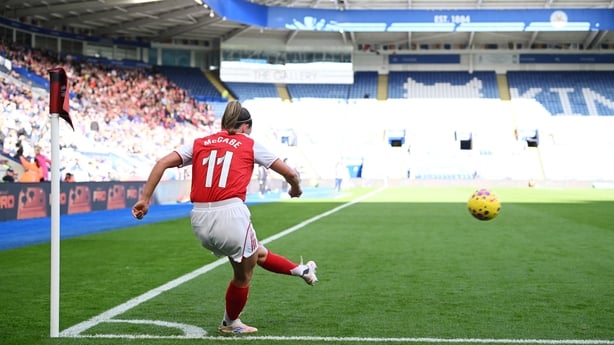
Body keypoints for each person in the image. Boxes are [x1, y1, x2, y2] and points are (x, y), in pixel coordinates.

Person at [131, 100, 318, 334]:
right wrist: (296, 189)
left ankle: (303, 271)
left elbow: (162, 163)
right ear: (246, 127)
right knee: (244, 275)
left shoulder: (200, 142)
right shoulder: (248, 144)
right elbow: (290, 173)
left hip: (199, 218)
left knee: (256, 251)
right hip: (231, 214)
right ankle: (230, 323)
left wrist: (145, 199)